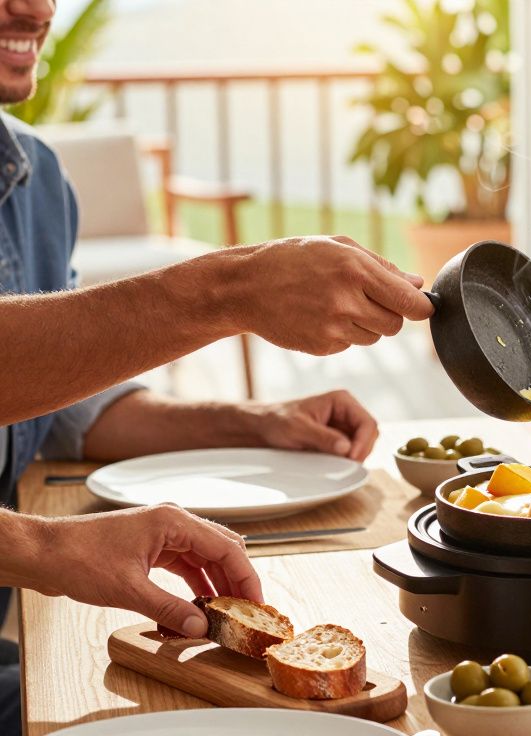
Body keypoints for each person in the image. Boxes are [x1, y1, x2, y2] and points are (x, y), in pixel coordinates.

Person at [0, 1, 433, 732]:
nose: (36, 8)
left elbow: (60, 411)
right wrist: (229, 290)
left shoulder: (35, 179)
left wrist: (257, 423)